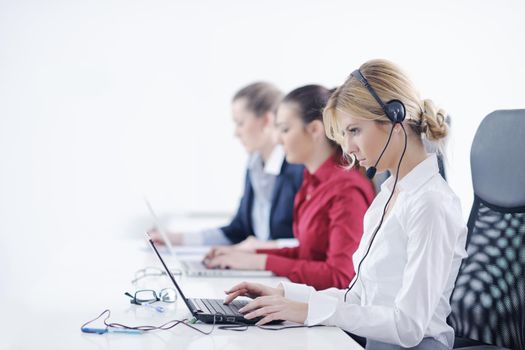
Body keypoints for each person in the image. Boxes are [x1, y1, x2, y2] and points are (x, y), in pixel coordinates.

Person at [223, 59, 468, 350]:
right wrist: (285, 294)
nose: (348, 148)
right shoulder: (388, 197)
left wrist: (306, 311)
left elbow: (409, 327)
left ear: (394, 119)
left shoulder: (431, 204)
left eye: (354, 130)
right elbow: (357, 300)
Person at [205, 85, 375, 290]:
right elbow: (307, 254)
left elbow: (341, 276)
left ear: (314, 130)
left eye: (285, 129)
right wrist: (249, 255)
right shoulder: (311, 182)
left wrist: (261, 262)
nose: (277, 139)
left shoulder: (346, 189)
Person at [151, 82, 304, 248]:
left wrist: (263, 249)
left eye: (240, 123)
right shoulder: (254, 167)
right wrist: (177, 239)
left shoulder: (299, 169)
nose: (236, 133)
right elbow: (237, 231)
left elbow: (310, 244)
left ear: (266, 120)